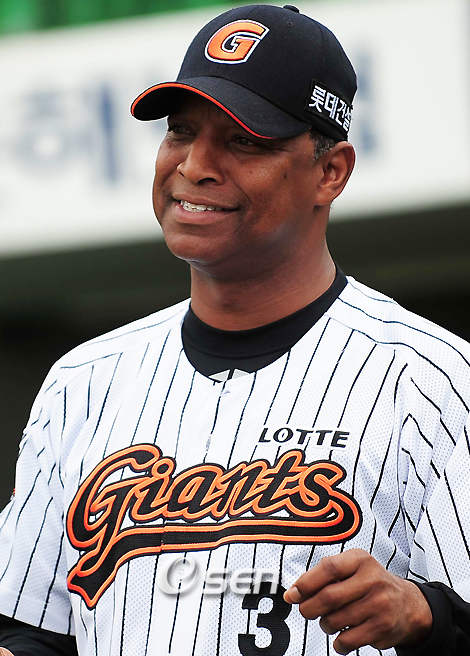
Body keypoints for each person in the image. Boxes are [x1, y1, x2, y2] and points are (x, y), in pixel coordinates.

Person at [0, 4, 469, 655]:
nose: (195, 164)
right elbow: (34, 632)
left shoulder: (433, 380)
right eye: (180, 131)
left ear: (330, 172)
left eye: (245, 140)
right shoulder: (81, 382)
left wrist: (427, 615)